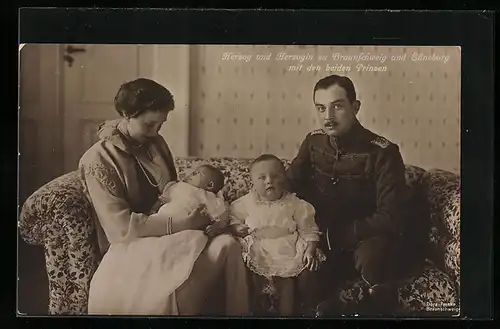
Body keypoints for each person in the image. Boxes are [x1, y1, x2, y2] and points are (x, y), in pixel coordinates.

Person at [79, 78, 250, 316]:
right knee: (173, 292)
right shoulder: (98, 159)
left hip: (179, 231)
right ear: (127, 114)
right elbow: (119, 228)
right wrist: (185, 223)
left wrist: (211, 219)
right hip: (134, 241)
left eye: (161, 125)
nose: (156, 132)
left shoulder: (155, 143)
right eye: (150, 124)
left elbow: (175, 191)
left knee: (228, 245)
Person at [286, 75, 427, 316]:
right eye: (321, 108)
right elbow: (289, 186)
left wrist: (334, 236)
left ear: (356, 107)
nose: (328, 117)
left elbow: (390, 217)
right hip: (325, 239)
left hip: (368, 238)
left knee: (373, 261)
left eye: (337, 106)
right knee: (307, 280)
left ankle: (362, 306)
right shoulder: (313, 142)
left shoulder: (383, 152)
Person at [229, 154, 325, 316]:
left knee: (285, 282)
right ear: (252, 181)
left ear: (284, 177)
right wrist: (237, 228)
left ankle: (286, 316)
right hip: (258, 247)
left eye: (275, 176)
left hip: (287, 248)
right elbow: (232, 219)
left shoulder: (295, 204)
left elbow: (308, 229)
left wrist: (310, 248)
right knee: (251, 278)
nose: (269, 181)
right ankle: (253, 312)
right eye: (262, 177)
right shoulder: (245, 203)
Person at [150, 164, 230, 237]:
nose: (191, 174)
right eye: (193, 172)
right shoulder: (178, 185)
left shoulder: (207, 196)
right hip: (162, 218)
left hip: (185, 225)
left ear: (210, 185)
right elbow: (162, 199)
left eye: (196, 173)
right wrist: (155, 208)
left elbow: (223, 216)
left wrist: (216, 227)